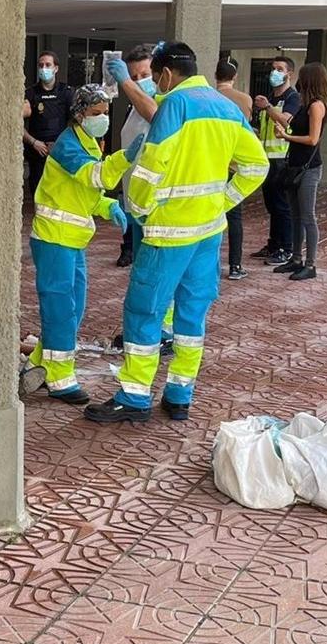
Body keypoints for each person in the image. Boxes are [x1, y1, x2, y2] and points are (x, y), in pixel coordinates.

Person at [87, 42, 269, 424]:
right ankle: (180, 394)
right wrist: (222, 201)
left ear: (167, 74)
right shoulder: (225, 108)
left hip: (167, 233)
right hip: (208, 233)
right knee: (191, 315)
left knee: (145, 310)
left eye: (155, 77)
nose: (155, 84)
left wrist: (138, 209)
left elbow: (150, 168)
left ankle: (135, 396)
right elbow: (257, 165)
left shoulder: (175, 106)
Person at [22, 84, 132, 405]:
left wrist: (107, 206)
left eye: (106, 112)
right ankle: (59, 378)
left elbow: (85, 193)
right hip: (54, 238)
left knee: (74, 307)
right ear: (80, 114)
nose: (103, 118)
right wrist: (125, 157)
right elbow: (96, 177)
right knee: (60, 308)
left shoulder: (88, 143)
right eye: (97, 113)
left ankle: (40, 362)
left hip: (70, 239)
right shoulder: (69, 146)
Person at [271, 62, 327, 282]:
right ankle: (296, 259)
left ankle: (310, 264)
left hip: (309, 167)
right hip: (295, 164)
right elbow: (295, 126)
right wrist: (283, 129)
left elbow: (313, 139)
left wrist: (287, 137)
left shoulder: (316, 106)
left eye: (302, 78)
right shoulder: (304, 104)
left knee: (307, 216)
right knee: (295, 215)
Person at [110, 44, 160, 269]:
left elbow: (154, 115)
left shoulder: (163, 101)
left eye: (145, 75)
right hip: (135, 198)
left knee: (151, 267)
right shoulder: (133, 109)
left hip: (153, 202)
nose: (139, 81)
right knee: (141, 263)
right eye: (133, 77)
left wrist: (126, 82)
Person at [253, 56, 302, 267]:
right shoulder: (271, 99)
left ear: (289, 73)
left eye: (280, 69)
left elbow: (287, 120)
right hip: (267, 159)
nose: (275, 72)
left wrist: (267, 108)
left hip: (282, 159)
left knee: (282, 206)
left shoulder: (293, 98)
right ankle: (273, 244)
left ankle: (286, 248)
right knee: (272, 205)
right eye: (273, 68)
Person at [215, 58, 255, 280]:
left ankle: (210, 264)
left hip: (211, 165)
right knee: (235, 217)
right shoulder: (244, 100)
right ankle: (235, 265)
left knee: (210, 217)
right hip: (234, 167)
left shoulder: (208, 97)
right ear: (235, 76)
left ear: (215, 75)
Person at [23, 51, 76, 198]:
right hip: (37, 152)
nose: (44, 68)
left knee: (60, 195)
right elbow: (16, 124)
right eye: (41, 65)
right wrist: (34, 142)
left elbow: (76, 122)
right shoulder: (30, 93)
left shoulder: (66, 93)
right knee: (38, 194)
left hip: (60, 152)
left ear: (56, 68)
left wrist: (60, 144)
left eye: (48, 65)